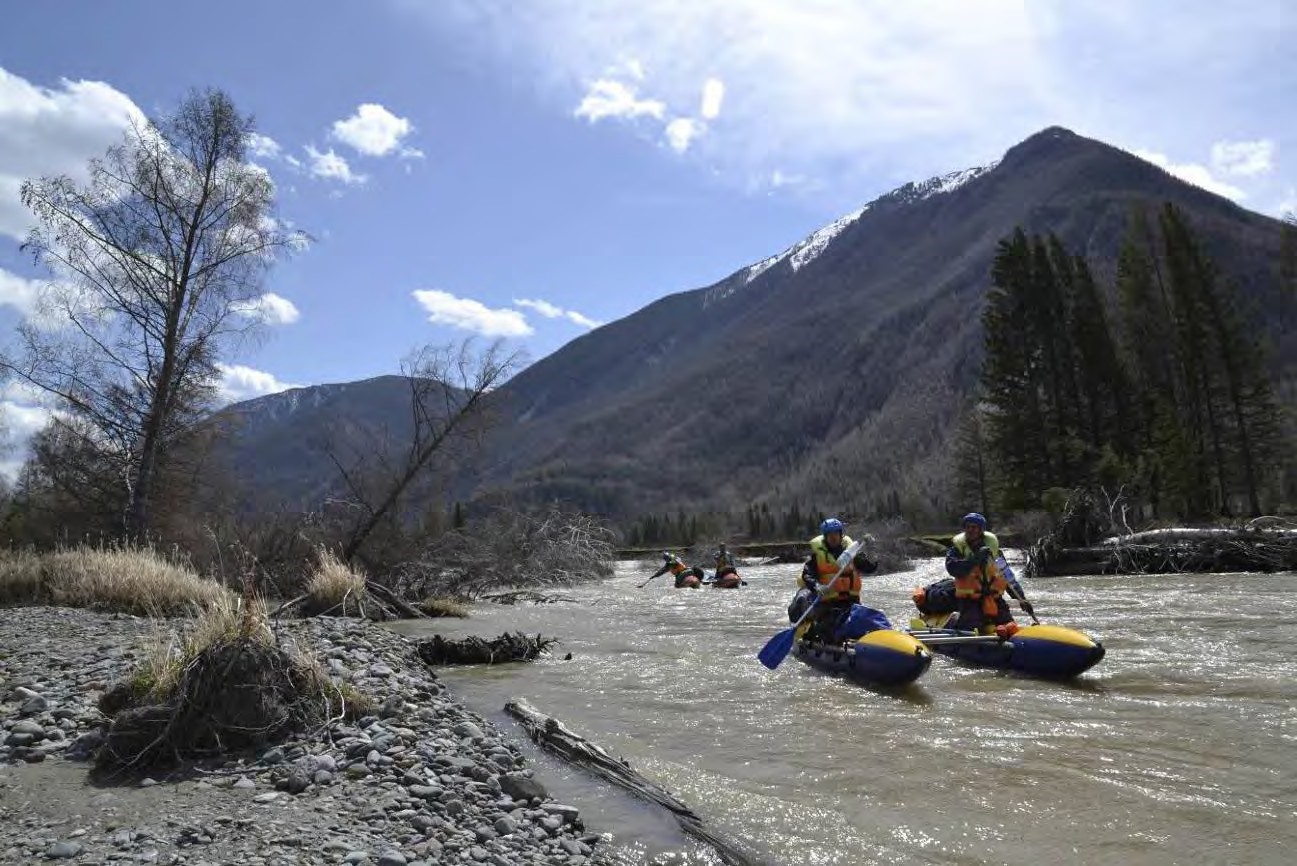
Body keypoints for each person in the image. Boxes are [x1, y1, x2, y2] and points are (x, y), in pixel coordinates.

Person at [788, 518, 878, 641]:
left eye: (836, 533)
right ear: (825, 537)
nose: (833, 537)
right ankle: (815, 635)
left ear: (841, 535)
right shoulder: (817, 557)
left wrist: (871, 550)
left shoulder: (852, 553)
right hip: (828, 604)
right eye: (830, 535)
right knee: (830, 628)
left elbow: (870, 568)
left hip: (852, 602)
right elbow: (807, 575)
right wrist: (817, 586)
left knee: (867, 624)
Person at [944, 512, 1034, 633]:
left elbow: (1007, 577)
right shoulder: (956, 550)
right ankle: (954, 622)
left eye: (974, 527)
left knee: (1010, 627)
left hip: (994, 599)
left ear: (981, 530)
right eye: (968, 527)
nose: (971, 530)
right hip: (970, 602)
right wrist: (975, 559)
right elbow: (952, 569)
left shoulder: (994, 551)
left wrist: (1021, 598)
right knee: (972, 626)